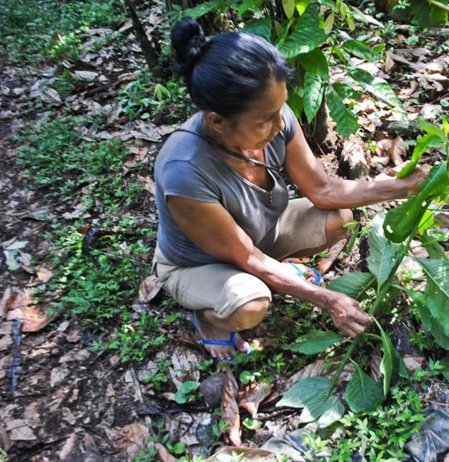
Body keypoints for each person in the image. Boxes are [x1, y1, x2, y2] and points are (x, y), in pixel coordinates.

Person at [152, 17, 426, 361]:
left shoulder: (275, 119)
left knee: (340, 217)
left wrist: (399, 188)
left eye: (279, 109)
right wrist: (328, 300)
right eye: (264, 119)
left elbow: (324, 189)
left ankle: (280, 273)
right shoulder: (185, 171)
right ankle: (208, 317)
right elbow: (246, 257)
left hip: (261, 233)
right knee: (251, 304)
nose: (280, 124)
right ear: (218, 122)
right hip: (198, 264)